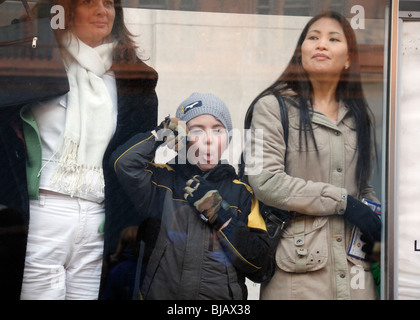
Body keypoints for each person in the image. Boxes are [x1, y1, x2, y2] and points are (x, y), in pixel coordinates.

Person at [0, 0, 158, 300]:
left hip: (97, 219)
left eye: (110, 4)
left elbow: (133, 158)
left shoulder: (130, 78)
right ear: (67, 10)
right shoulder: (38, 61)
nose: (103, 11)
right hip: (42, 213)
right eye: (91, 2)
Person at [242, 11, 382, 300]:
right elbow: (264, 180)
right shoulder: (269, 107)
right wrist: (343, 202)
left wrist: (376, 225)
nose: (321, 44)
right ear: (300, 53)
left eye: (333, 39)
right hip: (297, 270)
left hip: (355, 272)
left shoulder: (360, 118)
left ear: (347, 60)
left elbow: (363, 188)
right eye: (313, 38)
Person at [110, 92, 276, 300]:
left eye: (217, 130)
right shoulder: (162, 180)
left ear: (228, 139)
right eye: (197, 130)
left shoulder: (242, 192)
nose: (208, 140)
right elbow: (123, 163)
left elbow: (262, 267)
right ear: (183, 137)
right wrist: (161, 134)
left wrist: (221, 216)